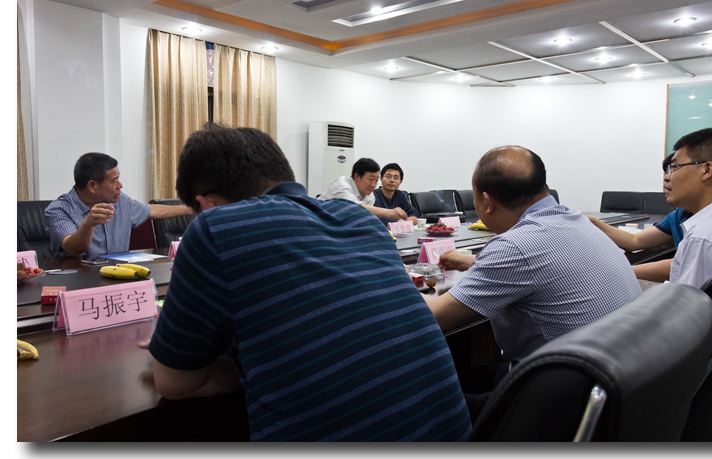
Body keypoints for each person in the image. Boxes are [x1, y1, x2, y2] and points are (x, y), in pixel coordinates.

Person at [144, 124, 471, 442]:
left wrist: (255, 358)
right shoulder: (360, 218)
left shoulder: (215, 228)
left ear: (206, 205)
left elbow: (175, 384)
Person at [423, 146, 642, 406]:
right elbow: (540, 263)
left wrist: (396, 277)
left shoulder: (514, 247)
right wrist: (473, 262)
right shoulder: (578, 220)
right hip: (619, 384)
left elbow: (431, 317)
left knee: (428, 396)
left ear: (487, 202)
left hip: (562, 402)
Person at [44, 152, 193, 257]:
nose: (120, 185)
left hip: (118, 276)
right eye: (114, 181)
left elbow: (151, 211)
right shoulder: (59, 210)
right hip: (78, 281)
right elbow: (73, 249)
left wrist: (191, 208)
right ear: (92, 186)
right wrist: (87, 224)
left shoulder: (121, 201)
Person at [588, 152, 692, 283]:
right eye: (667, 172)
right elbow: (634, 240)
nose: (666, 178)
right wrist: (593, 221)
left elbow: (686, 265)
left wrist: (618, 272)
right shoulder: (678, 215)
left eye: (674, 170)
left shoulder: (711, 220)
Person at [665, 127, 712, 289]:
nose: (667, 177)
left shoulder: (702, 237)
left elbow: (685, 303)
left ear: (706, 170)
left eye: (674, 167)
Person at [318, 158, 408, 222]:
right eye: (371, 179)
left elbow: (366, 218)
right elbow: (355, 208)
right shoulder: (342, 185)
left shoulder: (370, 196)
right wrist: (389, 212)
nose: (373, 185)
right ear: (356, 177)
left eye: (376, 180)